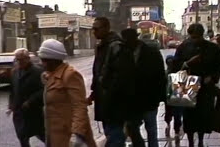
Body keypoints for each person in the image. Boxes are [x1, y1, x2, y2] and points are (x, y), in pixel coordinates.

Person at [173, 23, 220, 147]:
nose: (195, 40)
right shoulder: (183, 47)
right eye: (193, 37)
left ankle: (200, 140)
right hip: (188, 84)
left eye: (198, 37)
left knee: (204, 114)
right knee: (189, 116)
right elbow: (175, 66)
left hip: (206, 86)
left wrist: (212, 77)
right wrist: (187, 63)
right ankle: (190, 141)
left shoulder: (212, 48)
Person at [38, 39, 96, 147]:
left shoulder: (70, 75)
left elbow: (79, 106)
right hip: (55, 133)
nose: (42, 63)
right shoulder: (51, 75)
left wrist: (77, 134)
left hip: (68, 135)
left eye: (44, 60)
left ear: (54, 60)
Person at [88, 17, 136, 147]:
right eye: (93, 28)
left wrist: (109, 93)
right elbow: (98, 73)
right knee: (111, 135)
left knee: (114, 137)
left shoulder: (116, 47)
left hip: (113, 103)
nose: (94, 31)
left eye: (96, 28)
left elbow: (121, 76)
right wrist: (94, 92)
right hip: (106, 101)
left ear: (106, 28)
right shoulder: (103, 46)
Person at [121, 28, 166, 147]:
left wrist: (161, 97)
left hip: (149, 97)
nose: (126, 42)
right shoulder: (123, 52)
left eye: (128, 39)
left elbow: (161, 75)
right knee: (132, 128)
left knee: (151, 129)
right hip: (132, 100)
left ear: (135, 38)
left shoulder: (151, 52)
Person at [7, 48, 45, 147]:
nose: (19, 62)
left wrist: (30, 101)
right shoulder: (15, 72)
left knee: (41, 134)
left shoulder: (38, 71)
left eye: (21, 59)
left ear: (28, 59)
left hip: (34, 111)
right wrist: (11, 106)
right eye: (17, 59)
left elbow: (44, 90)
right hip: (19, 111)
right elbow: (13, 90)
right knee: (22, 136)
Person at [164, 55, 183, 139]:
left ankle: (168, 124)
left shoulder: (165, 73)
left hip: (167, 97)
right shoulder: (179, 73)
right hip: (176, 96)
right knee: (177, 114)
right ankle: (176, 131)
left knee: (168, 112)